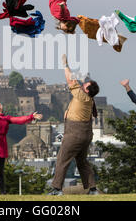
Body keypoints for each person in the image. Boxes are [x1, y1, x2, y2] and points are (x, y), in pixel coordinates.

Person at [49, 54, 100, 195]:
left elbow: (70, 80)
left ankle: (57, 189)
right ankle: (92, 189)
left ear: (88, 90)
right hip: (85, 134)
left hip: (75, 134)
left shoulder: (83, 96)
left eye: (86, 85)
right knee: (82, 162)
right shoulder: (88, 100)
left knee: (62, 159)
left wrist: (65, 65)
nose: (83, 84)